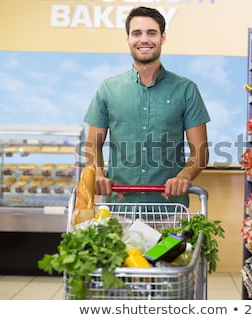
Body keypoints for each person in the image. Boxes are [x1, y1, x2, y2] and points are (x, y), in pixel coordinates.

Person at [83, 6, 210, 207]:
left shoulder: (186, 89)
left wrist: (184, 176)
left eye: (151, 32)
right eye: (136, 33)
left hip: (170, 209)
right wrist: (97, 173)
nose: (144, 39)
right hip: (119, 208)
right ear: (128, 39)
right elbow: (92, 145)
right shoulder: (107, 89)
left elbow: (201, 151)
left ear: (163, 37)